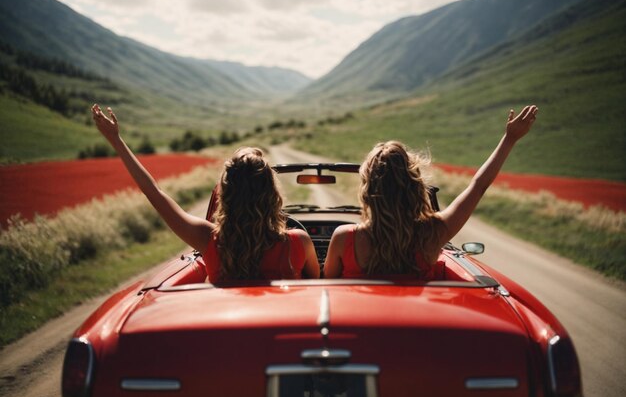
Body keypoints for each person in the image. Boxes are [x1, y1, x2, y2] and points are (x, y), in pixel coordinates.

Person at [90, 104, 320, 282]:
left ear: (225, 195)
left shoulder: (209, 240)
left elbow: (155, 194)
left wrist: (116, 141)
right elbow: (318, 286)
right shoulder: (298, 241)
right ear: (272, 193)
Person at [324, 105, 538, 279]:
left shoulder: (344, 238)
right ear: (414, 187)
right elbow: (478, 186)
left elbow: (328, 290)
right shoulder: (433, 233)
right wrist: (509, 139)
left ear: (368, 191)